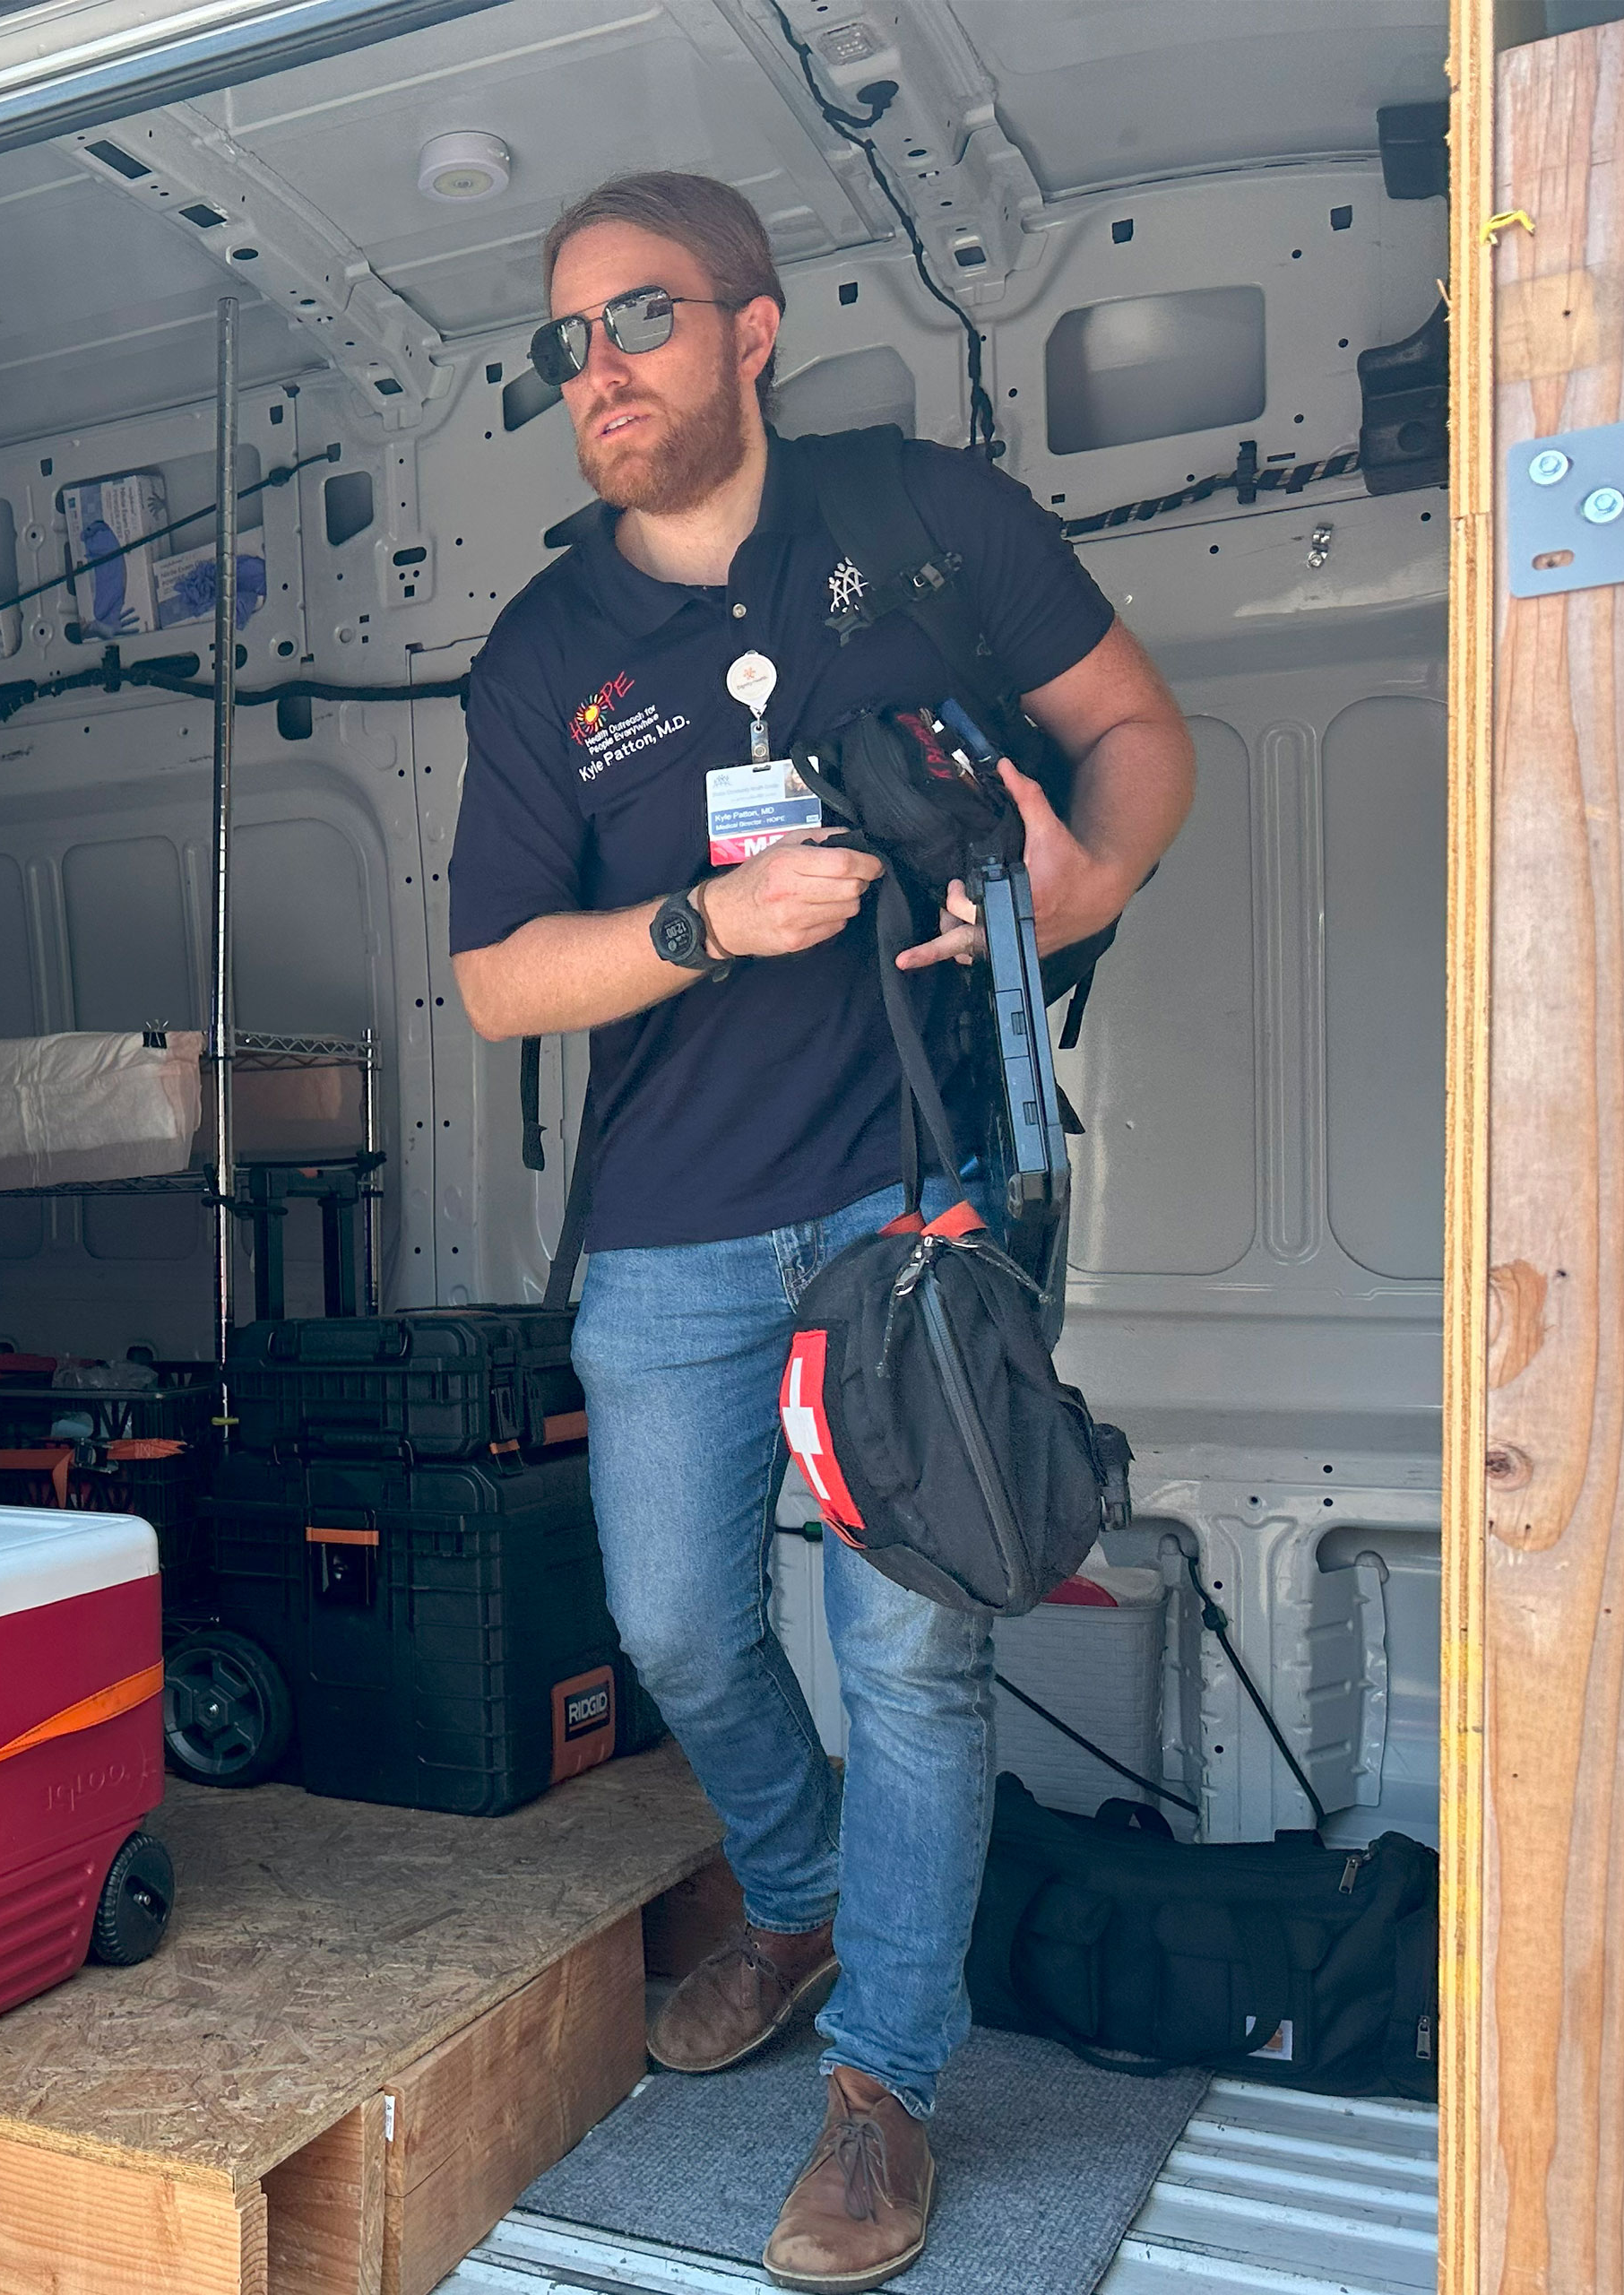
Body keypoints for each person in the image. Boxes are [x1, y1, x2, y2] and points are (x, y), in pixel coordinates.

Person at [446, 171, 1194, 2292]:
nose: (597, 371)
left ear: (754, 331)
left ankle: (885, 2083)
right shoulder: (544, 655)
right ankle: (792, 1895)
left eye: (641, 321)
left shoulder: (924, 521)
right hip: (672, 1231)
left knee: (915, 1655)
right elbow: (500, 976)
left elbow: (1143, 737)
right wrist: (701, 923)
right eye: (565, 344)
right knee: (680, 1626)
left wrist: (1076, 883)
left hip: (917, 1190)